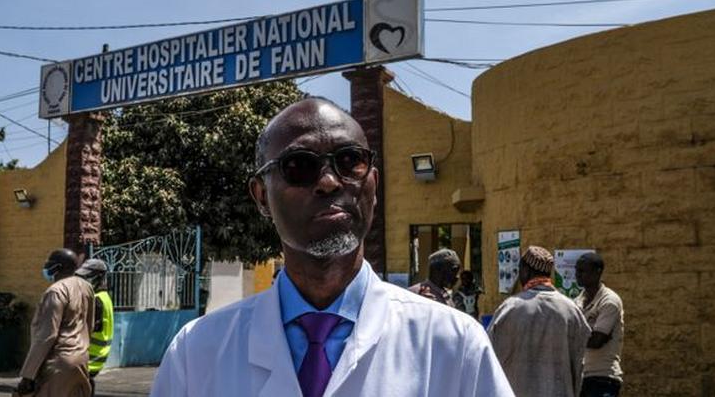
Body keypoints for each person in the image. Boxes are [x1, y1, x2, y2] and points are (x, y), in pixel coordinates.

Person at [151, 98, 514, 396]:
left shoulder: (454, 344)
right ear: (261, 196)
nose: (327, 181)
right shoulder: (196, 352)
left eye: (349, 161)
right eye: (299, 166)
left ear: (373, 183)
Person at [487, 246, 590, 397]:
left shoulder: (509, 309)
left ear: (525, 270)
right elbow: (579, 361)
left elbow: (490, 356)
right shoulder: (571, 310)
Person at [16, 248, 95, 397]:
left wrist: (28, 375)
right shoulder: (86, 287)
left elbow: (47, 335)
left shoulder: (56, 291)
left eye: (49, 264)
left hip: (58, 361)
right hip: (81, 358)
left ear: (57, 268)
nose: (46, 268)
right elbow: (88, 325)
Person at [575, 252, 624, 397]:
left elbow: (597, 340)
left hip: (603, 377)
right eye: (577, 270)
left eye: (582, 271)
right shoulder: (577, 301)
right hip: (581, 377)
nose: (578, 274)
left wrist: (573, 336)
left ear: (597, 272)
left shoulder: (609, 301)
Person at [75, 259, 114, 397]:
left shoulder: (97, 299)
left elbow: (91, 327)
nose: (85, 280)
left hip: (90, 357)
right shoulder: (104, 297)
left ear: (98, 277)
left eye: (87, 277)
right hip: (96, 357)